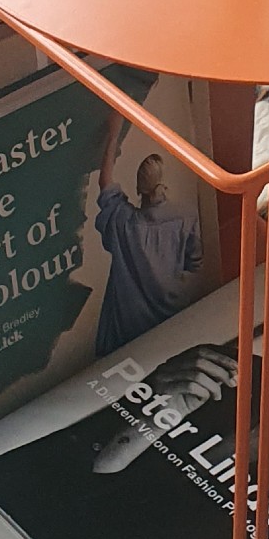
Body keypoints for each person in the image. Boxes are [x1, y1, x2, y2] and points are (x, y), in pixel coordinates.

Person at [93, 109, 204, 355]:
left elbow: (105, 183)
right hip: (172, 324)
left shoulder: (123, 223)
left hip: (125, 335)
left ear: (138, 188)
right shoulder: (185, 217)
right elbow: (195, 263)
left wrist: (113, 135)